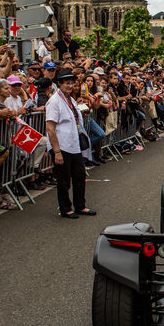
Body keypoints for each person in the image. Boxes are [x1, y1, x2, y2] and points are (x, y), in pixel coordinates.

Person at [45, 69, 93, 219]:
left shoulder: (71, 100)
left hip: (74, 145)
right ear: (59, 84)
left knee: (79, 176)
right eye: (67, 83)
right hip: (62, 145)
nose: (70, 85)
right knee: (64, 180)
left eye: (72, 83)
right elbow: (50, 128)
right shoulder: (54, 101)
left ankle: (80, 205)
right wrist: (57, 151)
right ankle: (65, 208)